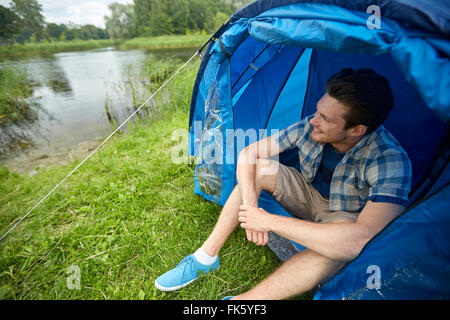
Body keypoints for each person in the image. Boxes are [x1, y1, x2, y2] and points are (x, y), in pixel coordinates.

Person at [154, 68, 412, 300]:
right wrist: (251, 207)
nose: (314, 119)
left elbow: (362, 239)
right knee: (259, 168)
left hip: (344, 218)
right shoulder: (311, 125)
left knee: (338, 247)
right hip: (309, 194)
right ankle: (206, 257)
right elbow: (248, 154)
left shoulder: (390, 160)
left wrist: (266, 221)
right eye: (318, 110)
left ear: (356, 130)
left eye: (325, 118)